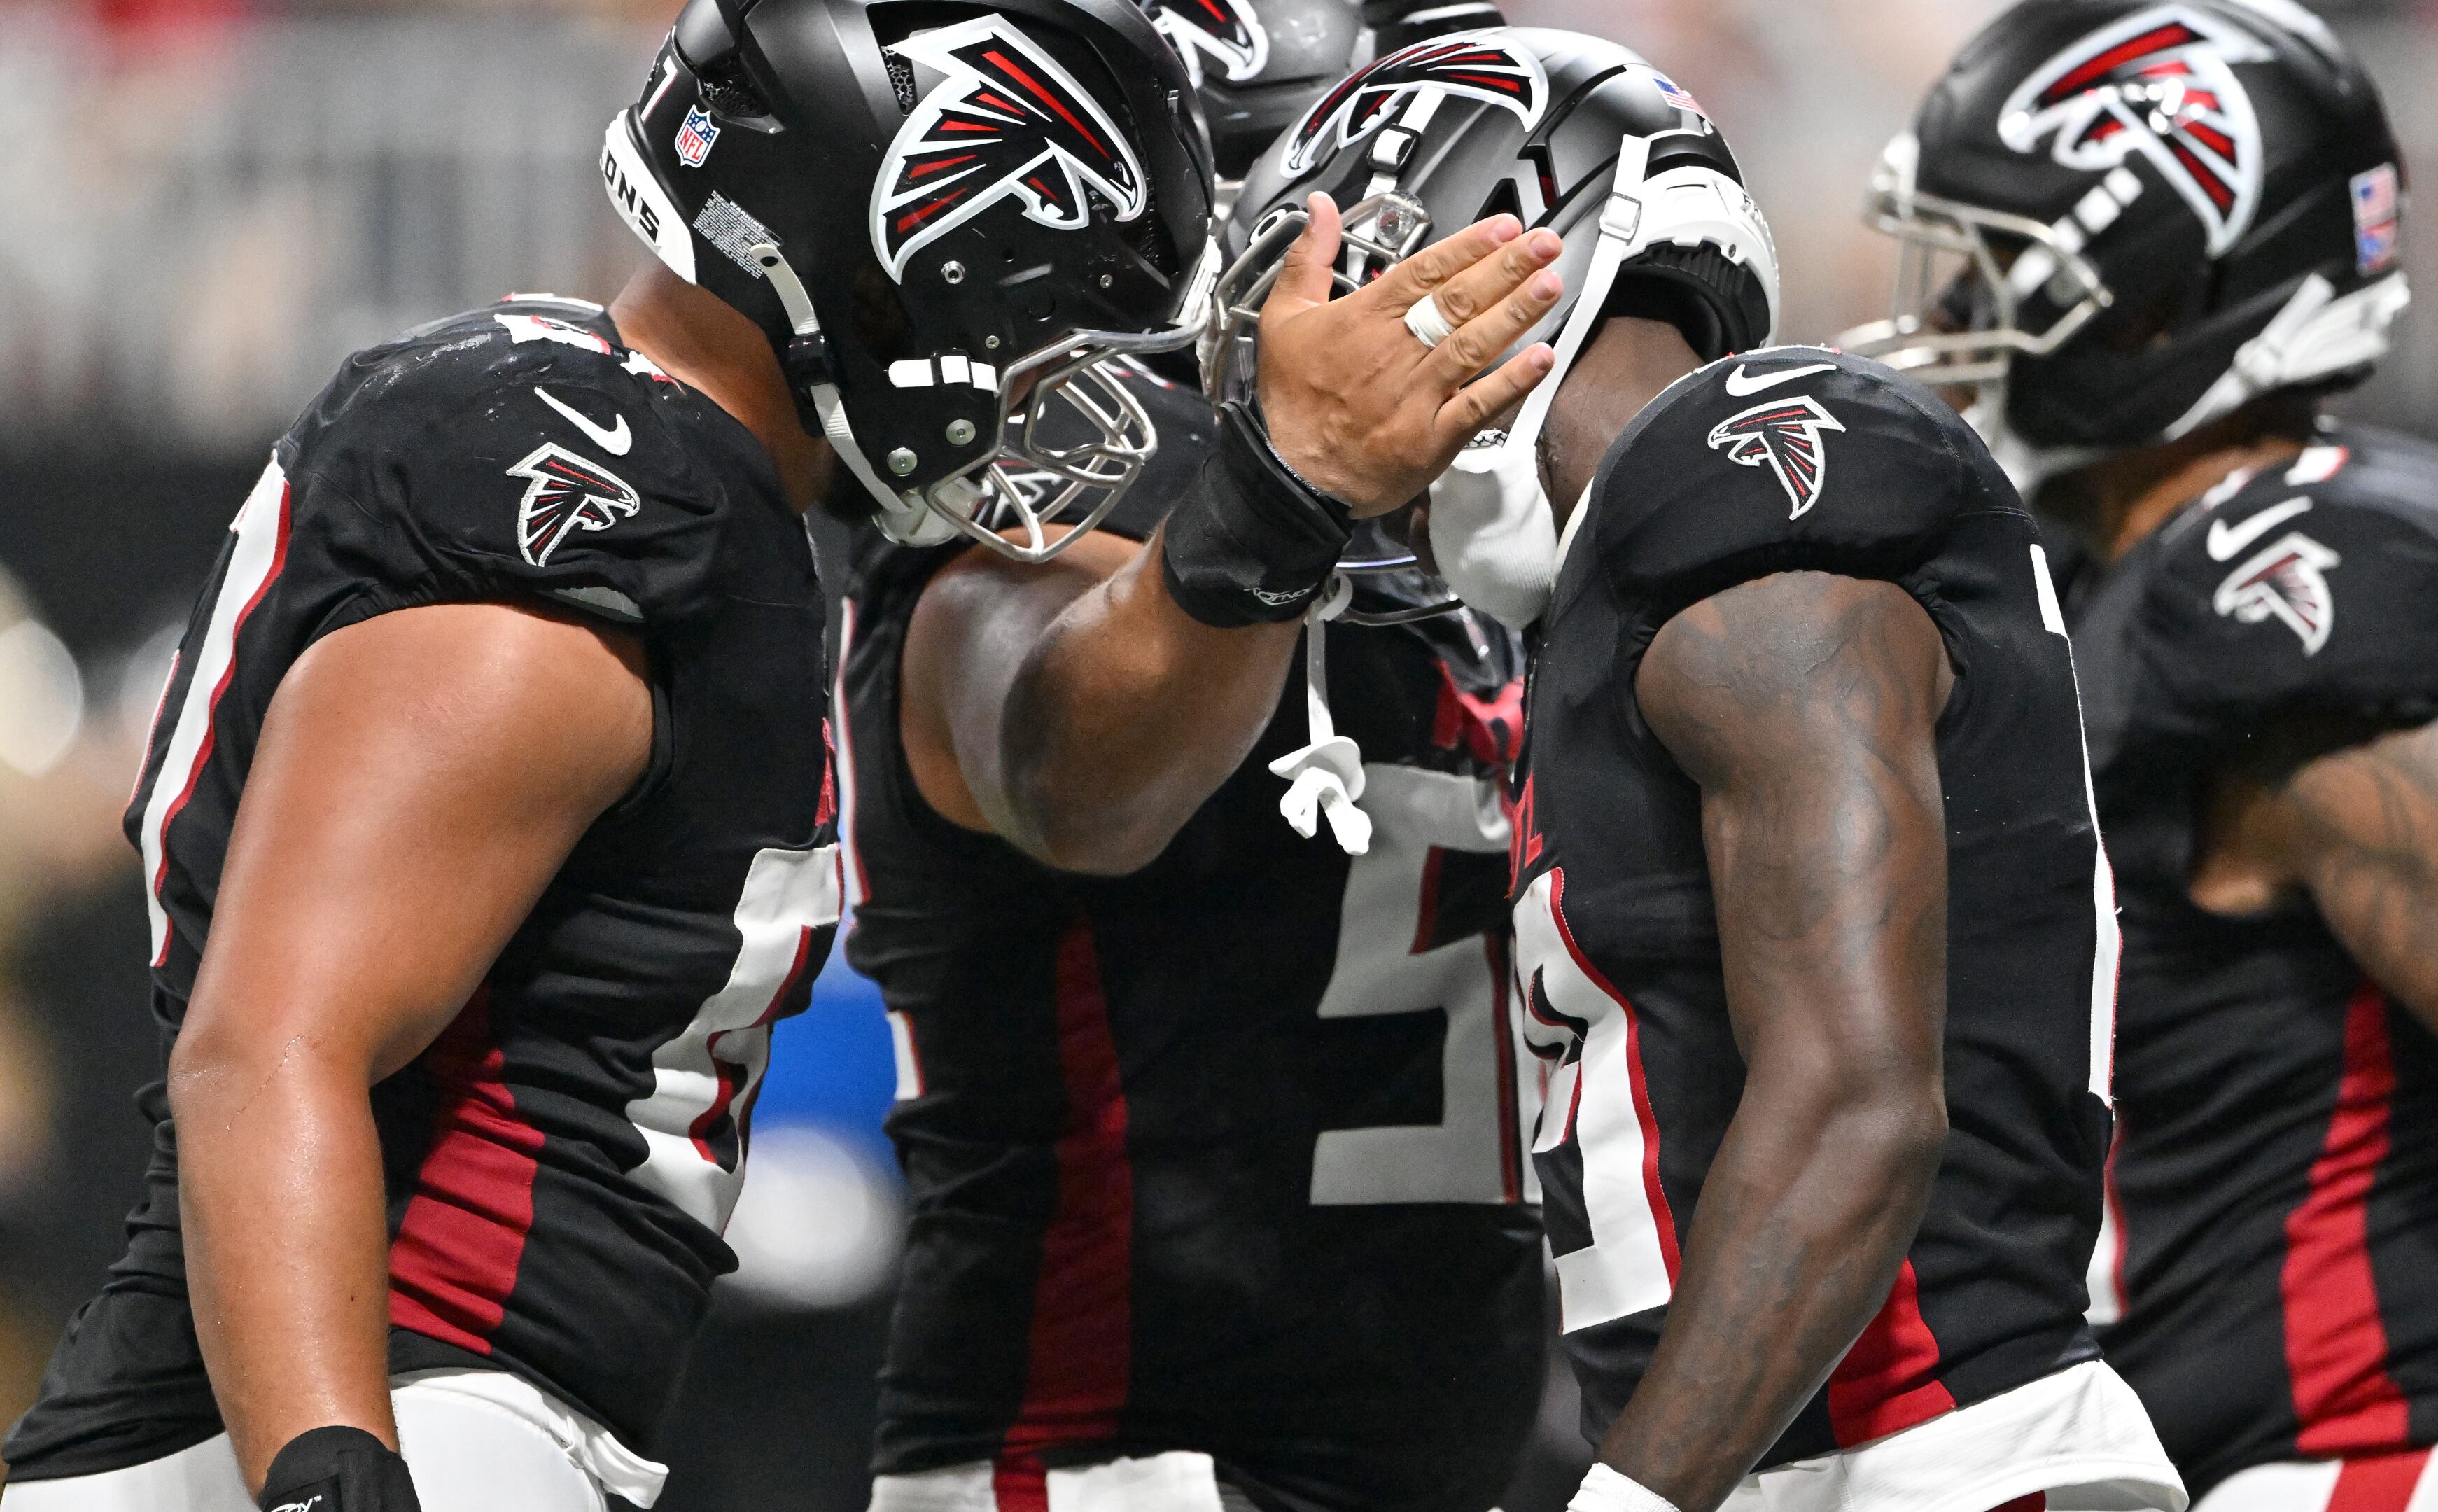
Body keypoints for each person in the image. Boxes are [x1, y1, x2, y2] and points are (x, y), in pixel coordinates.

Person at [0, 0, 1227, 1506]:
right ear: (883, 247)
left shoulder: (642, 461)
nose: (1056, 371)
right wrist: (330, 1472)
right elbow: (271, 1047)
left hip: (399, 1401)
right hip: (392, 1406)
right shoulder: (611, 499)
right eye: (1045, 301)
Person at [1215, 26, 2184, 1512]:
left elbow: (1859, 1103)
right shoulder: (1626, 573)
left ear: (1468, 280)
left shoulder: (1745, 482)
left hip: (1925, 1464)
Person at [1844, 2, 2438, 1508]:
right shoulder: (2117, 575)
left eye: (2000, 260)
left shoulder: (2282, 576)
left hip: (2373, 1466)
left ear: (2163, 288)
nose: (1958, 307)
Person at [836, 10, 1587, 1512]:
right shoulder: (1085, 470)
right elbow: (1069, 777)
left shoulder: (1488, 545)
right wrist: (1280, 504)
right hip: (1126, 1453)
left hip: (1446, 1449)